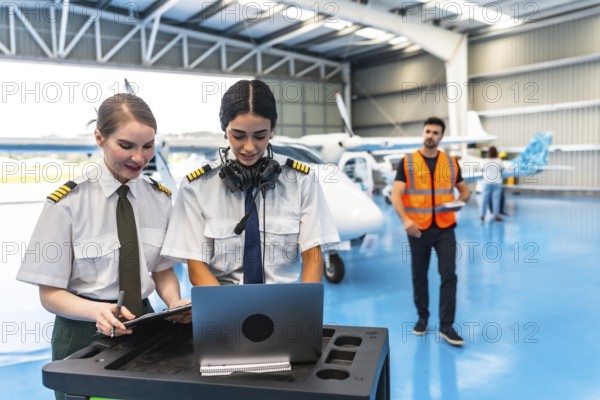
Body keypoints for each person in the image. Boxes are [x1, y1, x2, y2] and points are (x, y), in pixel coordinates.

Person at [16, 93, 190, 400]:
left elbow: (162, 269)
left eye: (148, 146)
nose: (139, 158)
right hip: (83, 331)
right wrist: (97, 311)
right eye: (126, 146)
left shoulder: (159, 199)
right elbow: (50, 293)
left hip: (146, 325)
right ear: (99, 137)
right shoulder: (67, 203)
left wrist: (175, 302)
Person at [161, 79, 339, 286]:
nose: (249, 147)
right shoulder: (196, 187)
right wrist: (229, 311)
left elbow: (312, 254)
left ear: (272, 129)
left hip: (283, 304)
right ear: (224, 129)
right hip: (224, 304)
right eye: (238, 136)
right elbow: (196, 263)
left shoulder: (302, 181)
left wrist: (303, 306)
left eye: (260, 136)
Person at [390, 117, 471, 346]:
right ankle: (422, 318)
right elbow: (396, 194)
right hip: (417, 228)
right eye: (428, 131)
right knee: (419, 275)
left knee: (449, 275)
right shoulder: (407, 162)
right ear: (423, 133)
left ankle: (447, 326)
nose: (430, 136)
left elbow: (465, 191)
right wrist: (405, 220)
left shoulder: (451, 162)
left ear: (441, 137)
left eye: (435, 132)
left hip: (445, 227)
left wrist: (459, 202)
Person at [480, 146, 504, 222]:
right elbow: (501, 169)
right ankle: (496, 216)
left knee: (484, 199)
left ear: (488, 152)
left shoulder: (485, 161)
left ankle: (482, 215)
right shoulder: (499, 160)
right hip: (497, 182)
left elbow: (482, 169)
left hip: (487, 182)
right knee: (496, 200)